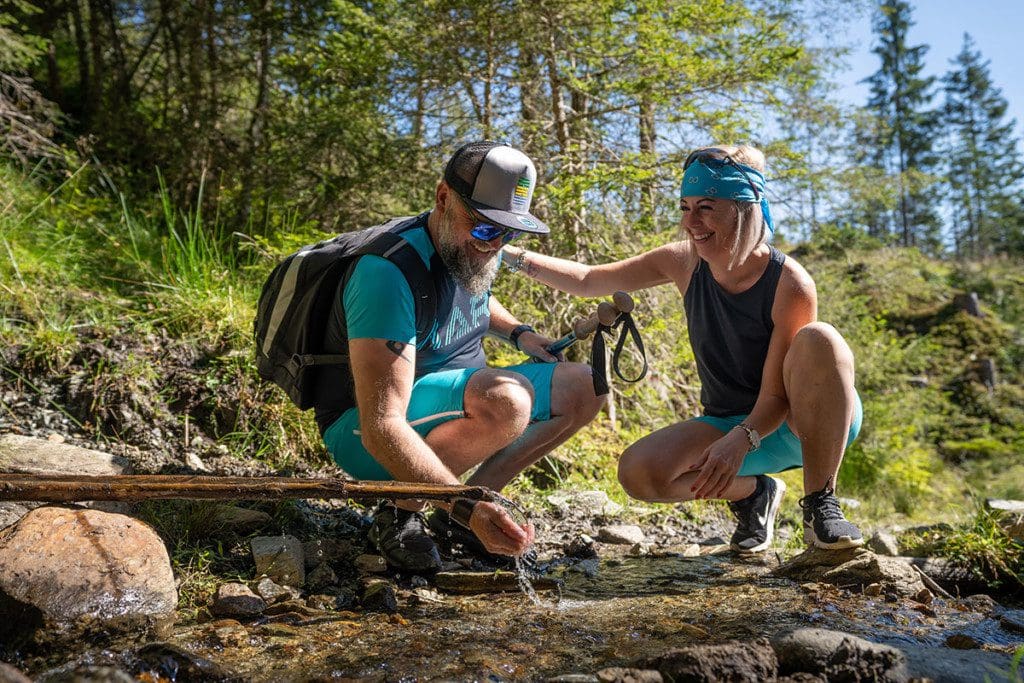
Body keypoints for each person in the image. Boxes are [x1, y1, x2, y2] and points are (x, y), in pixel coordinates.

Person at [500, 145, 864, 553]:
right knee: (639, 473)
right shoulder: (683, 262)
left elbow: (778, 396)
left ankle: (821, 506)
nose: (691, 222)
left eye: (706, 207)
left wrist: (741, 440)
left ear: (743, 208)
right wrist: (504, 253)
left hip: (802, 423)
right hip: (729, 421)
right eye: (685, 207)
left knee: (821, 339)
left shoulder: (789, 282)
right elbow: (588, 279)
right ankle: (753, 495)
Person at [318, 141, 605, 572]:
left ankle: (462, 519)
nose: (495, 244)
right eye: (486, 228)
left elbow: (475, 297)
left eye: (509, 233)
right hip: (362, 431)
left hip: (445, 406)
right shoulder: (387, 273)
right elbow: (381, 426)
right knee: (507, 399)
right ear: (442, 198)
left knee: (586, 385)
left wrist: (519, 334)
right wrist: (463, 502)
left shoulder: (466, 245)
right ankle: (401, 513)